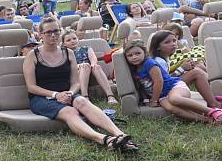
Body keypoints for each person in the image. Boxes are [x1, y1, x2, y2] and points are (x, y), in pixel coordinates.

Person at [23, 16, 138, 151]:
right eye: (48, 32)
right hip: (41, 98)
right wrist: (56, 95)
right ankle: (104, 139)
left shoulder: (68, 52)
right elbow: (31, 87)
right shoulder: (33, 55)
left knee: (83, 102)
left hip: (67, 93)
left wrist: (70, 93)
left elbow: (76, 83)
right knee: (69, 111)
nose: (53, 35)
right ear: (41, 34)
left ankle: (120, 134)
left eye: (56, 31)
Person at [125, 39, 222, 125]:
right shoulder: (134, 69)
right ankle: (207, 121)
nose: (134, 57)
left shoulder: (149, 63)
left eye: (137, 53)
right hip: (162, 95)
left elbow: (159, 82)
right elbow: (142, 86)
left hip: (173, 86)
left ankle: (213, 111)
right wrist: (147, 99)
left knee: (175, 99)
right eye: (130, 55)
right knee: (173, 109)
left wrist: (154, 100)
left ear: (145, 53)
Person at [149, 30, 222, 110]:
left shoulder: (165, 58)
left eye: (174, 40)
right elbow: (164, 81)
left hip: (165, 87)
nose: (173, 44)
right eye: (167, 42)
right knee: (196, 73)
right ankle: (215, 104)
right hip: (161, 91)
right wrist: (182, 69)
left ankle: (213, 98)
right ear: (158, 47)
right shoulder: (159, 61)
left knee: (197, 70)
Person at [61, 29, 117, 105]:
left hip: (91, 73)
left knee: (96, 67)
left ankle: (110, 95)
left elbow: (93, 59)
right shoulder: (64, 53)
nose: (72, 41)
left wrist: (93, 64)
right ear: (64, 44)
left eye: (74, 38)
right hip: (77, 74)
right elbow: (66, 65)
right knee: (84, 66)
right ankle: (85, 96)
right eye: (68, 40)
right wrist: (78, 66)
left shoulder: (86, 48)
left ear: (78, 39)